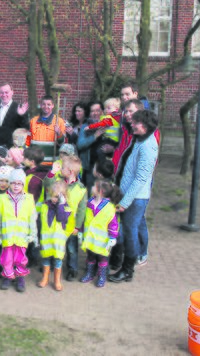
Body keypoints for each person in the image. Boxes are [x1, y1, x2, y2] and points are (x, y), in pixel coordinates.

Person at [108, 110, 159, 284]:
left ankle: (128, 270)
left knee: (130, 233)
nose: (132, 124)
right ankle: (119, 262)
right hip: (125, 194)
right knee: (122, 231)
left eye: (135, 122)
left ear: (145, 125)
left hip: (135, 199)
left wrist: (125, 201)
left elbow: (140, 179)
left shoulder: (148, 146)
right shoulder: (138, 139)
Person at [0, 168, 38, 292]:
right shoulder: (1, 199)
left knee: (20, 258)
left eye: (19, 183)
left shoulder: (29, 199)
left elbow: (32, 218)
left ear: (23, 184)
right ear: (9, 183)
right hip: (7, 236)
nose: (16, 186)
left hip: (22, 237)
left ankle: (20, 277)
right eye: (13, 183)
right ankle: (8, 276)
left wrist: (33, 234)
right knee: (7, 258)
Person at [45, 155, 87, 281]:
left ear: (70, 171)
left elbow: (82, 209)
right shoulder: (57, 181)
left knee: (71, 247)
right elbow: (47, 184)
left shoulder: (81, 189)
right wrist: (52, 173)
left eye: (62, 168)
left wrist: (77, 226)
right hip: (56, 221)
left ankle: (72, 268)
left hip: (70, 223)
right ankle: (52, 263)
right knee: (54, 242)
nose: (60, 169)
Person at [80, 179, 122, 288]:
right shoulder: (90, 202)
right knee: (90, 256)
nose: (92, 187)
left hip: (103, 241)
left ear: (101, 191)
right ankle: (90, 273)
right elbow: (85, 218)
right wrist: (81, 230)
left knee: (103, 259)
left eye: (94, 186)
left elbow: (113, 224)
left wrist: (113, 237)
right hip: (90, 238)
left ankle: (101, 276)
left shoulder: (109, 208)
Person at [37, 180, 71, 291]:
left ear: (64, 196)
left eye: (58, 197)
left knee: (57, 260)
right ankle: (45, 278)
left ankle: (57, 280)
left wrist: (61, 204)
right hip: (47, 239)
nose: (54, 199)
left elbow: (61, 218)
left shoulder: (66, 207)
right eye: (53, 196)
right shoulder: (45, 206)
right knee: (46, 258)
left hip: (58, 241)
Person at [0, 84, 29, 152]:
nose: (4, 95)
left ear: (12, 92)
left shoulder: (18, 108)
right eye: (2, 93)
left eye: (6, 92)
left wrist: (21, 115)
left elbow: (25, 128)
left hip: (10, 149)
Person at [29, 95, 66, 165]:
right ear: (40, 105)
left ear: (53, 106)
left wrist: (59, 134)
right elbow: (28, 140)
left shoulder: (59, 121)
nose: (46, 106)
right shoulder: (33, 121)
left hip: (52, 163)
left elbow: (63, 144)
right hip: (35, 162)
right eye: (44, 104)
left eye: (49, 104)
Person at [85, 97, 121, 163]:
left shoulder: (109, 117)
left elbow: (101, 123)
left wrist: (90, 127)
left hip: (110, 139)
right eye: (105, 108)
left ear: (116, 109)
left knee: (100, 150)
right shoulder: (118, 117)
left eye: (109, 108)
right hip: (114, 140)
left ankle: (103, 164)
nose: (106, 110)